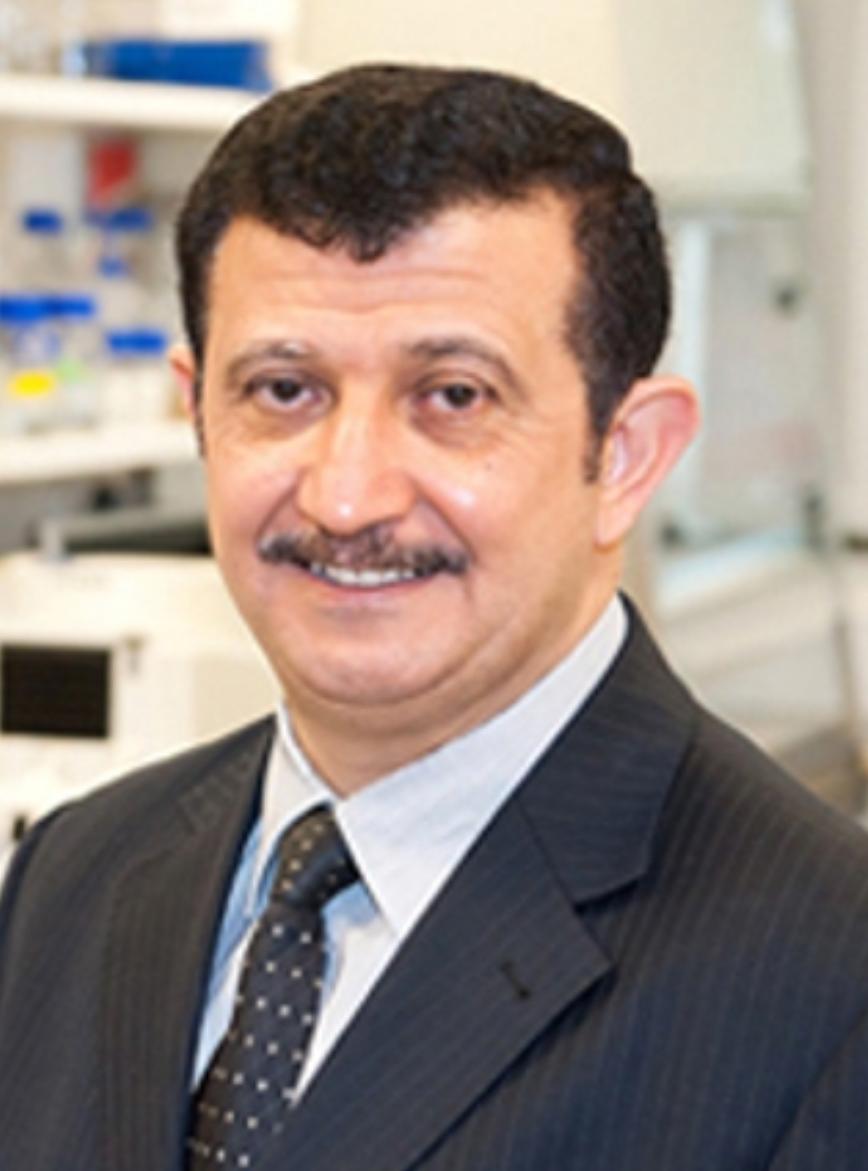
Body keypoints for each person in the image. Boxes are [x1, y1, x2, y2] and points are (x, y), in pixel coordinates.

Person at [1, 63, 868, 1171]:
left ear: (624, 456)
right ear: (198, 413)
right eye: (283, 390)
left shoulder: (829, 982)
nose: (346, 497)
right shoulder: (71, 877)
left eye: (454, 395)